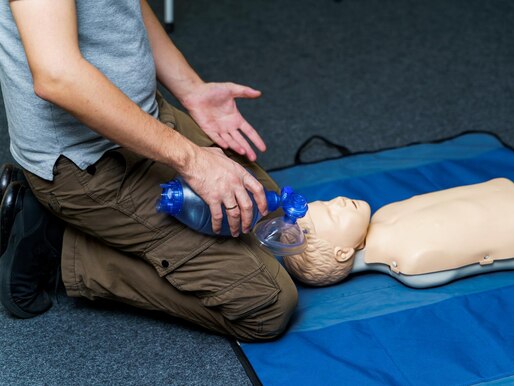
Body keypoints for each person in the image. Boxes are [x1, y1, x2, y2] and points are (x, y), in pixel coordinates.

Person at [0, 0, 296, 341]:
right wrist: (192, 160)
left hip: (145, 116)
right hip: (86, 162)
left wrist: (190, 89)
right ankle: (56, 246)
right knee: (267, 303)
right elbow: (57, 77)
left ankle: (76, 221)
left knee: (267, 217)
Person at [283, 178, 514, 288]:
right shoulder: (412, 261)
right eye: (333, 213)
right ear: (343, 253)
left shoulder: (386, 214)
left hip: (501, 194)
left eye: (326, 203)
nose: (338, 200)